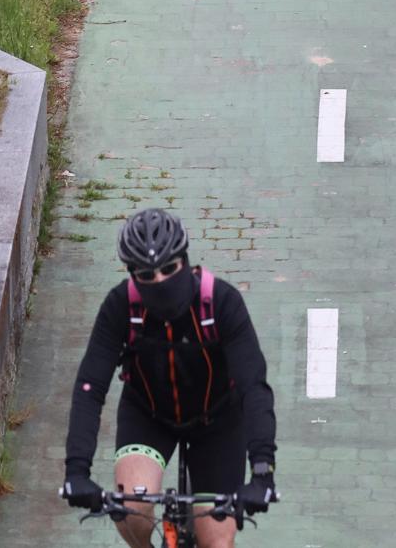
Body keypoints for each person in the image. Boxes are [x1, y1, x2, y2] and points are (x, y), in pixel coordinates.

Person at [61, 208, 278, 548]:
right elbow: (90, 388)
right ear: (132, 273)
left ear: (185, 260)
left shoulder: (222, 303)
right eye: (146, 275)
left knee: (216, 543)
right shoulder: (120, 307)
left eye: (169, 269)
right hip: (148, 415)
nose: (159, 281)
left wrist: (263, 471)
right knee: (131, 509)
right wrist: (77, 470)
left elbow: (254, 388)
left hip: (217, 421)